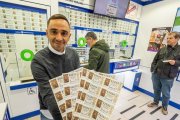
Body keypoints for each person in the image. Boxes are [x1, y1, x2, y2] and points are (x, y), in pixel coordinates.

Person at [31, 14, 80, 120]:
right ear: (47, 33)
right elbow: (49, 96)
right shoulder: (38, 60)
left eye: (64, 33)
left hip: (73, 109)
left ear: (69, 36)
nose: (59, 38)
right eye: (54, 32)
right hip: (49, 113)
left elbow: (78, 84)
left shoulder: (74, 54)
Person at [148, 32, 180, 115]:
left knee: (166, 93)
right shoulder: (163, 48)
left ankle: (164, 106)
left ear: (177, 39)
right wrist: (152, 69)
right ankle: (155, 102)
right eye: (167, 38)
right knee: (156, 90)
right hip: (156, 74)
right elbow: (155, 59)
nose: (168, 40)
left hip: (168, 76)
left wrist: (175, 62)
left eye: (170, 38)